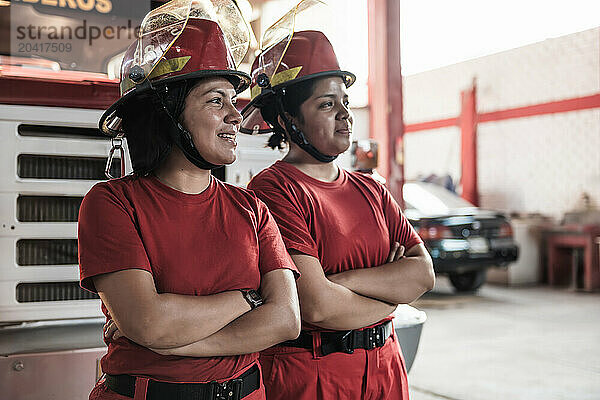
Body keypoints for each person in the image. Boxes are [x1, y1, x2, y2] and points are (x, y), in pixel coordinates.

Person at [79, 3, 300, 399]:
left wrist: (183, 343)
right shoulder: (112, 203)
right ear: (169, 114)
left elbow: (286, 320)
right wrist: (249, 298)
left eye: (234, 99)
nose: (236, 115)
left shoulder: (252, 210)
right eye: (217, 100)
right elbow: (149, 323)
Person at [241, 28, 435, 400]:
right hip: (313, 375)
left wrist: (340, 281)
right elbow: (316, 306)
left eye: (344, 102)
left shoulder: (372, 189)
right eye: (326, 104)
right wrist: (390, 292)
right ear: (285, 119)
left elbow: (423, 275)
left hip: (386, 368)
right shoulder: (274, 190)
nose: (345, 115)